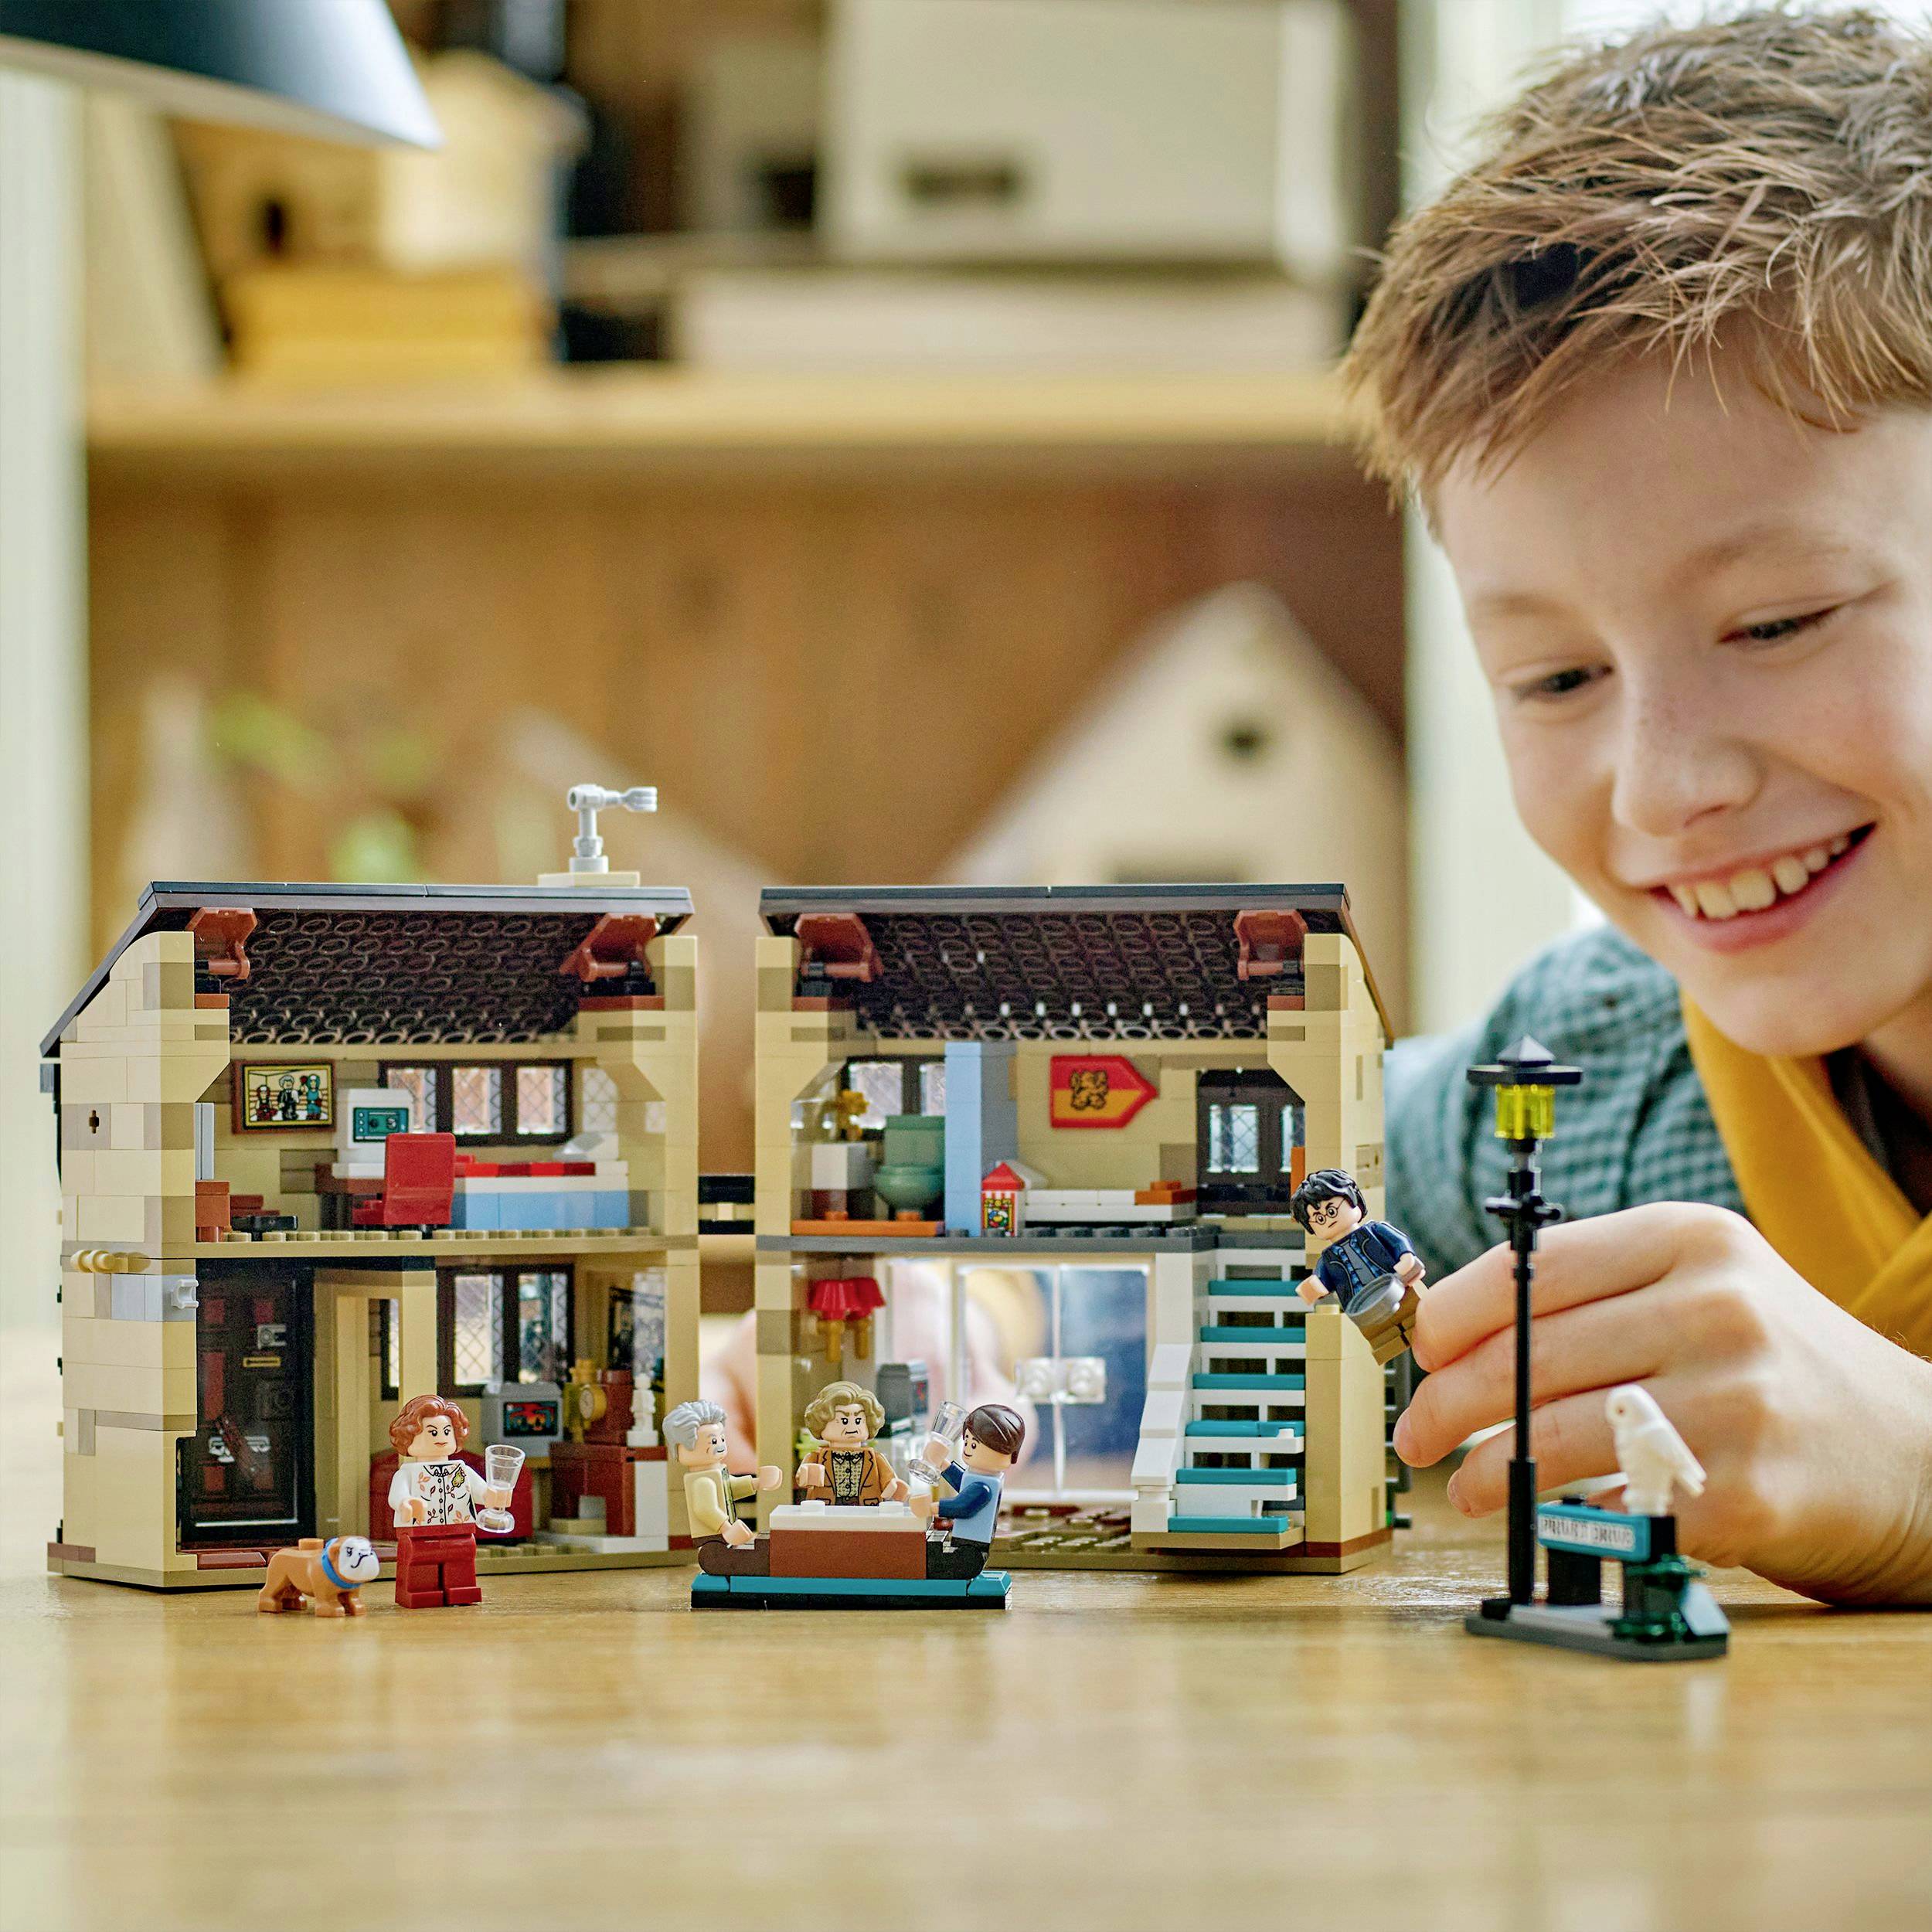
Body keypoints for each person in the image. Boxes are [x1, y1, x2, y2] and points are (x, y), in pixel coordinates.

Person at [1342, 7, 1932, 1604]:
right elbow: (1233, 1230)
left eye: (1777, 621)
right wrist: (985, 1324)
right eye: (1551, 680)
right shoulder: (1575, 1074)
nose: (1665, 785)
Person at [386, 1393, 511, 1609]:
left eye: (447, 1431)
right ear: (409, 1438)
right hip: (420, 1533)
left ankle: (461, 1590)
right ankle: (420, 1591)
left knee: (462, 1559)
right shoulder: (407, 1473)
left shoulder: (462, 1469)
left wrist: (495, 1496)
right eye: (432, 1432)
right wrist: (406, 1503)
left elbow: (482, 1492)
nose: (441, 1437)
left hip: (460, 1529)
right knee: (420, 1562)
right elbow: (396, 1496)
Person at [665, 1399, 781, 1576]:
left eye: (722, 1438)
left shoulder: (717, 1473)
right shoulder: (702, 1481)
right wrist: (727, 1528)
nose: (720, 1445)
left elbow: (729, 1487)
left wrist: (757, 1483)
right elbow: (705, 1510)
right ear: (683, 1448)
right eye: (712, 1441)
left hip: (724, 1533)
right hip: (714, 1536)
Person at [911, 1403, 1026, 1580]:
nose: (967, 1448)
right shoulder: (982, 1479)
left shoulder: (984, 1488)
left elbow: (962, 1507)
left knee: (925, 1560)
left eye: (974, 1445)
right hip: (967, 1548)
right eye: (967, 1442)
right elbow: (964, 1484)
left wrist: (930, 1508)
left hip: (971, 1554)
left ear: (1010, 1455)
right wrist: (942, 1463)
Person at [796, 1382, 910, 1508]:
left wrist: (894, 1486)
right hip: (827, 1506)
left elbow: (889, 1479)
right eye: (844, 1421)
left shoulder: (876, 1458)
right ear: (821, 1422)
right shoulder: (816, 1457)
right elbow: (802, 1480)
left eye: (858, 1420)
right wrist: (808, 1475)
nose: (852, 1427)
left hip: (866, 1507)